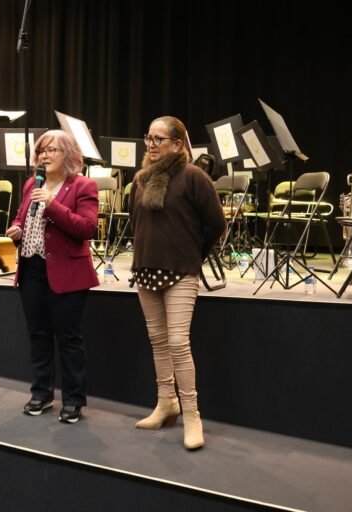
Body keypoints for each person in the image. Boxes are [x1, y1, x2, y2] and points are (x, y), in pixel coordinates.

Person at [129, 116, 225, 449]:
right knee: (157, 340)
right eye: (149, 138)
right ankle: (165, 403)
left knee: (178, 342)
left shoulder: (193, 177)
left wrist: (190, 255)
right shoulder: (140, 180)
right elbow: (135, 222)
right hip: (146, 269)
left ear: (177, 144)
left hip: (181, 270)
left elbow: (215, 224)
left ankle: (192, 414)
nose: (152, 145)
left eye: (159, 139)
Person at [5, 130, 99, 424]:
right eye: (41, 151)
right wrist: (17, 228)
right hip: (31, 267)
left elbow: (86, 228)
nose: (44, 156)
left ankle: (73, 400)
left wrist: (52, 204)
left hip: (67, 271)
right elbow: (23, 216)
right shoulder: (33, 183)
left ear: (68, 154)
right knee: (38, 335)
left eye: (51, 151)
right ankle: (42, 394)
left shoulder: (83, 185)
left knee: (68, 338)